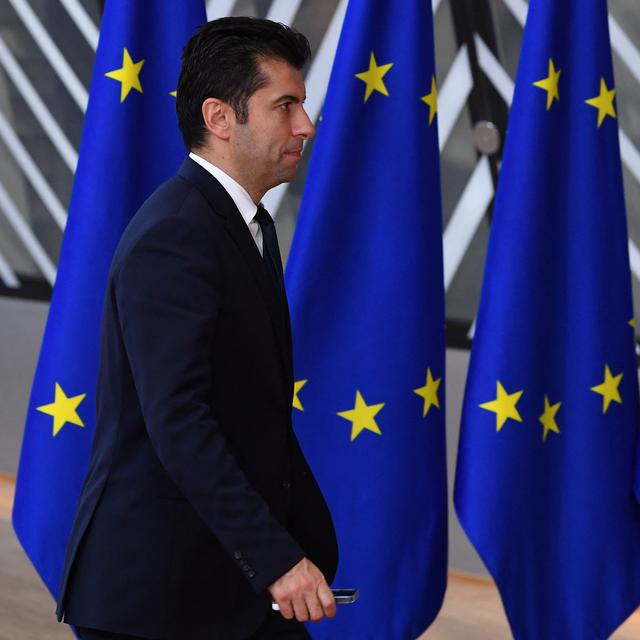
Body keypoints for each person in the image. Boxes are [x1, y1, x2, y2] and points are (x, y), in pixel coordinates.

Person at [56, 17, 338, 640]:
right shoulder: (177, 235)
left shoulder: (245, 228)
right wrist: (277, 557)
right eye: (284, 105)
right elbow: (179, 420)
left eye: (303, 105)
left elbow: (249, 411)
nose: (305, 126)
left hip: (227, 585)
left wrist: (303, 542)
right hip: (159, 598)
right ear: (219, 117)